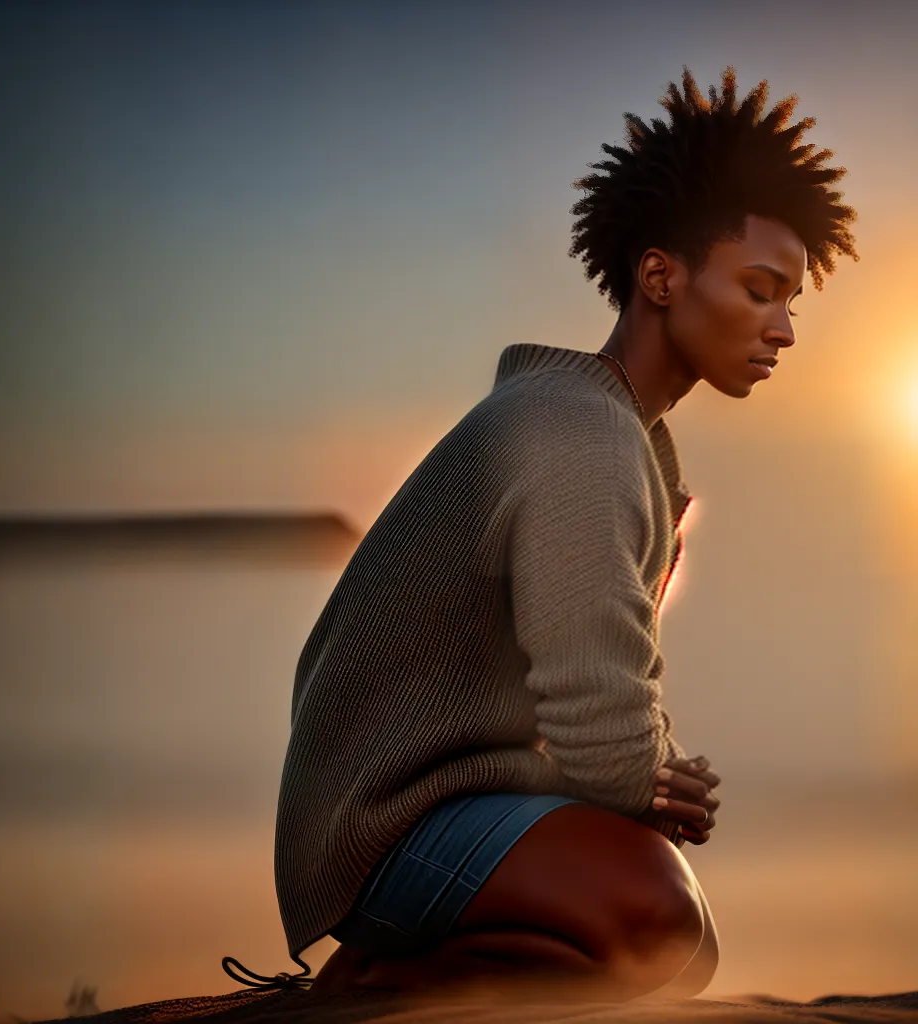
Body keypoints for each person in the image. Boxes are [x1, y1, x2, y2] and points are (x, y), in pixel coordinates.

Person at [231, 67, 857, 1003]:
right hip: (386, 826)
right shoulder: (577, 434)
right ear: (660, 276)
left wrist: (649, 769)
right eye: (762, 289)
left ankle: (389, 975)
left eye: (792, 300)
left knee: (665, 938)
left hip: (455, 798)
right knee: (664, 931)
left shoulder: (613, 430)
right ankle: (365, 993)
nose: (785, 328)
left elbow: (593, 673)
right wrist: (644, 775)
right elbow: (599, 723)